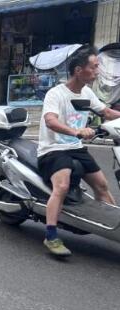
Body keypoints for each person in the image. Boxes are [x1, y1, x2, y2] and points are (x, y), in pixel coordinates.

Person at [38, 45, 120, 256]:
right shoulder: (56, 94)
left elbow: (106, 112)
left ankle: (111, 228)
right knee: (62, 185)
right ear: (78, 70)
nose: (97, 71)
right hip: (54, 149)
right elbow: (50, 121)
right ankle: (51, 236)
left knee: (102, 185)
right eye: (93, 67)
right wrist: (75, 132)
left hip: (76, 148)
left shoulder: (86, 92)